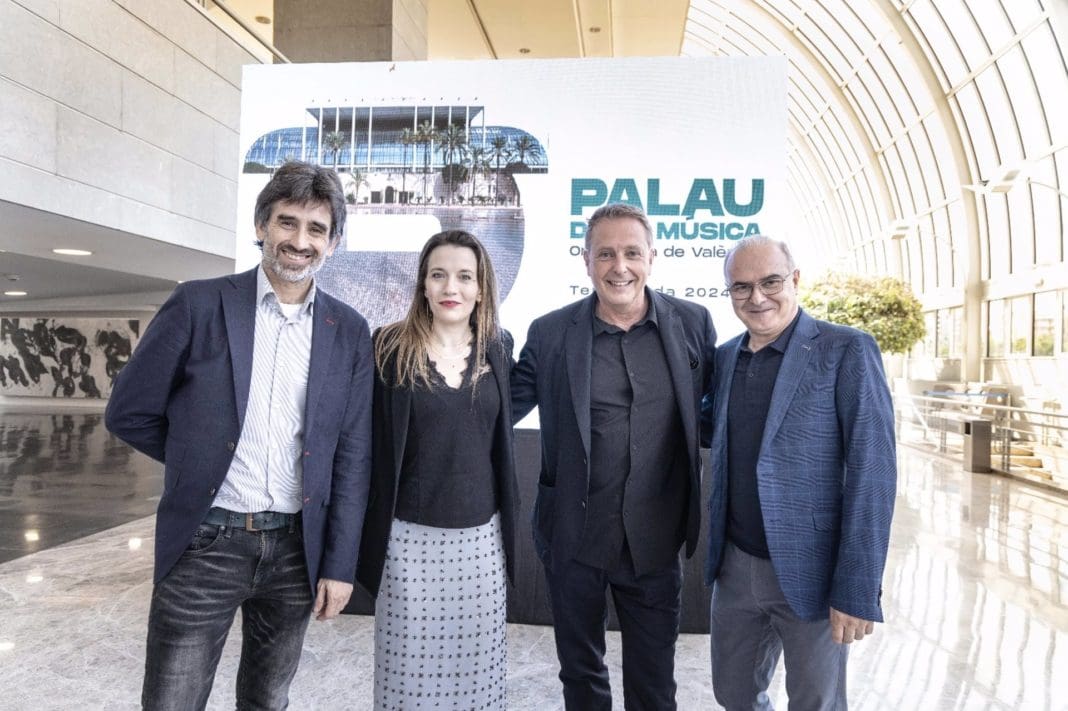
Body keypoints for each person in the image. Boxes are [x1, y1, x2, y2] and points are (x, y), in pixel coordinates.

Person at [105, 161, 374, 710]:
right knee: (172, 701)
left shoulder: (348, 329)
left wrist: (340, 565)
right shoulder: (198, 304)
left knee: (268, 700)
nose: (300, 241)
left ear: (333, 242)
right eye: (287, 222)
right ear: (261, 225)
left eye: (317, 229)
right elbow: (129, 412)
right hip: (206, 542)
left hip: (297, 550)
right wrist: (198, 459)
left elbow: (352, 455)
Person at [511, 203, 717, 709]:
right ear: (586, 261)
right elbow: (498, 408)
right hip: (572, 537)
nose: (619, 266)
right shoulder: (550, 333)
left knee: (654, 685)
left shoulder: (693, 324)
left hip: (656, 541)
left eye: (631, 253)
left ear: (652, 258)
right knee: (581, 677)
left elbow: (719, 412)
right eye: (605, 254)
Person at [702, 234, 897, 710]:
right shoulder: (725, 357)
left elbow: (873, 472)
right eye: (741, 287)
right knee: (733, 695)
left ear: (794, 280)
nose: (757, 297)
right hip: (735, 567)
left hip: (815, 571)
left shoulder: (846, 349)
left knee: (816, 702)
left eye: (770, 282)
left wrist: (856, 587)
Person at [356, 230, 520, 710]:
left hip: (481, 545)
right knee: (407, 683)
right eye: (439, 275)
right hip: (407, 545)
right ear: (423, 285)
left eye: (465, 276)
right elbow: (364, 439)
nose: (452, 287)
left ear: (481, 288)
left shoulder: (499, 347)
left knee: (477, 681)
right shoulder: (388, 346)